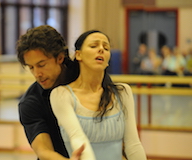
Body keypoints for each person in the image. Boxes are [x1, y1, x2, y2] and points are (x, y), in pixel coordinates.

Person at [50, 30, 147, 160]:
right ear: (78, 55)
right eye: (94, 46)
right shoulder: (61, 94)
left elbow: (133, 144)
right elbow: (78, 138)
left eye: (106, 47)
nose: (101, 49)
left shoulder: (123, 92)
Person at [16, 25, 84, 160]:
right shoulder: (30, 103)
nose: (37, 74)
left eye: (41, 65)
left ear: (60, 58)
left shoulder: (85, 77)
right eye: (31, 67)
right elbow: (43, 151)